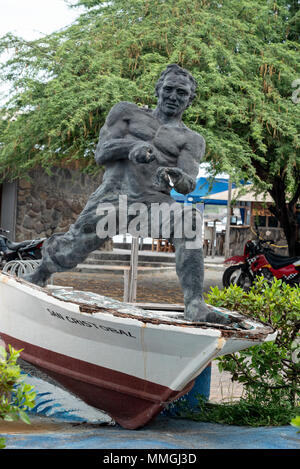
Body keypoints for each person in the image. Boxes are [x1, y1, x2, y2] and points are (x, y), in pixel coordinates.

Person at [23, 64, 229, 324]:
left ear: (190, 99)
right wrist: (132, 146)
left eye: (181, 92)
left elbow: (188, 183)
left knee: (188, 219)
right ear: (158, 89)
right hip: (113, 198)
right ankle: (39, 274)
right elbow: (101, 153)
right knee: (71, 249)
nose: (174, 96)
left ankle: (195, 304)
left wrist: (177, 176)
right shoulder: (126, 113)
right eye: (169, 89)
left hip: (154, 206)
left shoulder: (192, 139)